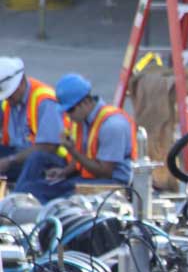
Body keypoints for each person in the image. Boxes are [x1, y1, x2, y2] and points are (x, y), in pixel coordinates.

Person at [15, 73, 136, 203]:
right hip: (88, 177)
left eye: (70, 110)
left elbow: (105, 172)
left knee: (57, 201)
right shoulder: (83, 120)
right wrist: (65, 172)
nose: (68, 116)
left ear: (85, 102)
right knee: (32, 187)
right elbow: (87, 155)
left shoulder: (112, 125)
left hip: (110, 183)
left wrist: (73, 151)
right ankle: (12, 206)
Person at [0, 57, 72, 181]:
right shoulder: (10, 101)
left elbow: (48, 147)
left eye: (10, 95)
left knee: (34, 161)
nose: (8, 99)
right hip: (20, 153)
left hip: (52, 159)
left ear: (21, 82)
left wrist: (10, 160)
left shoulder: (45, 101)